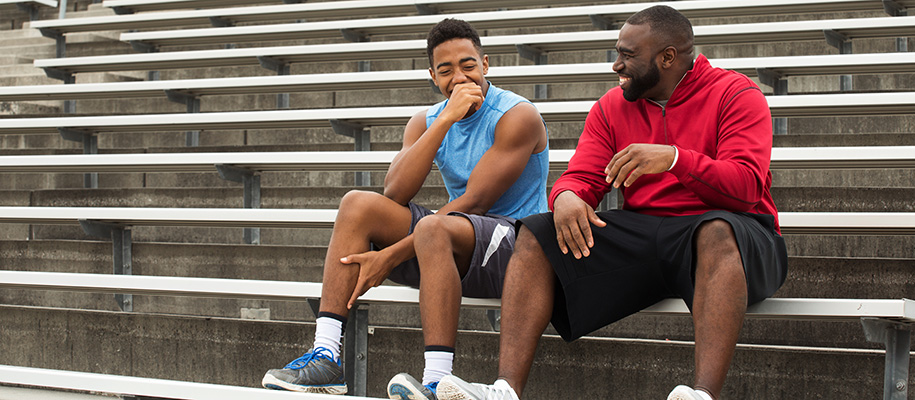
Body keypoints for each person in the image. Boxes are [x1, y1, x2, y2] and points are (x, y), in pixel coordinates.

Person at [434, 6, 787, 400]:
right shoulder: (612, 106)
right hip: (647, 233)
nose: (617, 64)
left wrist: (673, 159)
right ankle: (504, 390)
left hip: (739, 235)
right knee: (537, 231)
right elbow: (581, 177)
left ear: (667, 57)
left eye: (628, 54)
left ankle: (702, 394)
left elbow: (746, 186)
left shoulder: (736, 93)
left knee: (717, 230)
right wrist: (566, 198)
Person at [260, 18, 550, 399]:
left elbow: (478, 202)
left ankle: (435, 380)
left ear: (486, 65)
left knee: (434, 227)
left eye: (468, 65)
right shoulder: (427, 121)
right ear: (433, 76)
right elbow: (394, 191)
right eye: (446, 71)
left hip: (517, 252)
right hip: (452, 243)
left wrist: (392, 255)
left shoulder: (516, 115)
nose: (459, 78)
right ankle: (326, 357)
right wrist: (445, 119)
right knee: (357, 205)